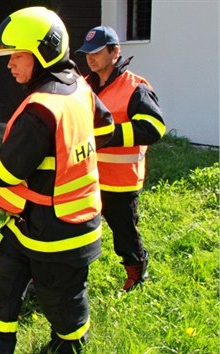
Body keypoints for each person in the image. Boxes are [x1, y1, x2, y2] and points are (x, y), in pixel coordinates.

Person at [0, 7, 114, 353]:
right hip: (30, 224)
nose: (9, 65)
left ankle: (70, 345)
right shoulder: (78, 85)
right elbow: (105, 129)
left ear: (42, 52)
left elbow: (6, 171)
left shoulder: (42, 107)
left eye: (16, 56)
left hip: (59, 234)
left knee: (62, 304)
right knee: (0, 293)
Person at [76, 26, 165, 292]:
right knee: (76, 232)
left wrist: (108, 135)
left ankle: (136, 273)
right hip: (86, 176)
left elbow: (154, 128)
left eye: (97, 52)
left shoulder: (136, 87)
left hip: (121, 181)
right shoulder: (82, 85)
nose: (90, 58)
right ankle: (65, 278)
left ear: (115, 52)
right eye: (86, 53)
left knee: (124, 234)